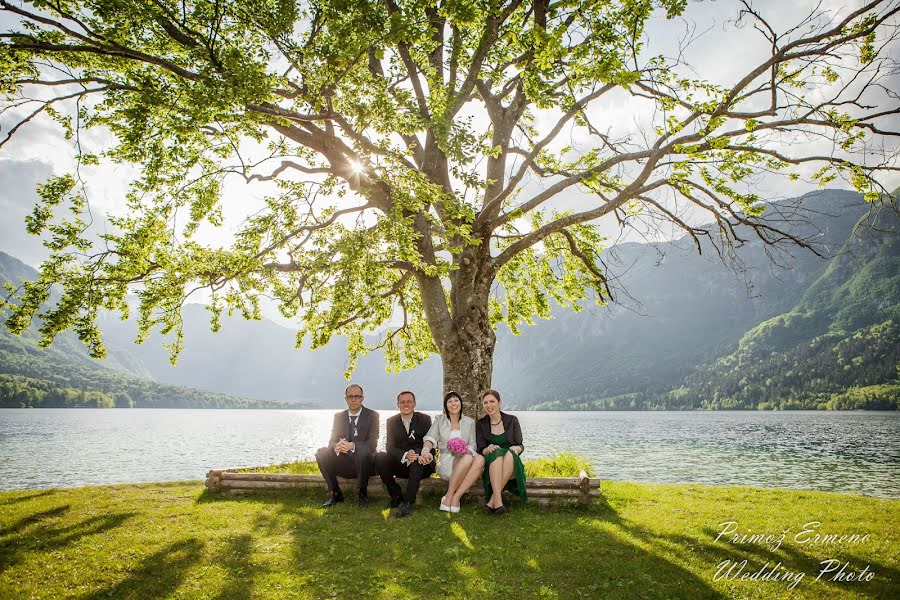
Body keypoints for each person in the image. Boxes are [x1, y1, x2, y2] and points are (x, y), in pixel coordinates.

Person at [315, 383, 380, 508]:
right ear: (346, 399)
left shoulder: (372, 415)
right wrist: (336, 446)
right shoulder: (339, 416)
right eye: (350, 396)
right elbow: (331, 441)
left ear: (362, 398)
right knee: (321, 453)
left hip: (365, 466)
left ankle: (362, 493)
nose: (354, 399)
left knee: (361, 451)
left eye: (357, 396)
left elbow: (372, 444)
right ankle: (336, 493)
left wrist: (353, 446)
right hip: (344, 463)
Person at [421, 391, 484, 513]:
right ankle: (450, 496)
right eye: (449, 401)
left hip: (465, 456)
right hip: (447, 460)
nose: (453, 403)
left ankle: (454, 497)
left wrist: (465, 450)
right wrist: (425, 450)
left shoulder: (470, 422)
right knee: (468, 459)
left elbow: (473, 444)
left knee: (480, 459)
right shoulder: (440, 420)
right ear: (446, 406)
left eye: (456, 400)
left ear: (461, 403)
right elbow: (430, 438)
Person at [374, 390, 434, 517]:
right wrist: (406, 454)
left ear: (414, 404)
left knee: (417, 456)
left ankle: (408, 502)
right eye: (402, 402)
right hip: (402, 464)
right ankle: (395, 495)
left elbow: (430, 442)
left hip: (422, 465)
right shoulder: (391, 422)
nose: (406, 404)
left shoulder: (425, 419)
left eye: (409, 401)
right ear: (398, 404)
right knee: (379, 457)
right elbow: (390, 447)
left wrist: (418, 454)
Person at [476, 389, 526, 514]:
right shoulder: (481, 424)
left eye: (492, 401)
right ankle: (498, 503)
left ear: (499, 402)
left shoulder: (512, 420)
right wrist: (488, 449)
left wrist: (516, 448)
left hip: (511, 463)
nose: (489, 405)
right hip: (492, 463)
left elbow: (520, 444)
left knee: (509, 454)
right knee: (497, 453)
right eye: (485, 403)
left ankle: (493, 500)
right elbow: (481, 449)